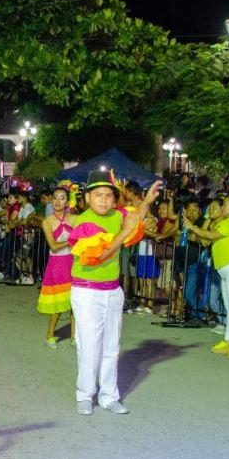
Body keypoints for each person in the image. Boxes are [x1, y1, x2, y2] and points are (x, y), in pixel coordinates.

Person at [67, 170, 161, 414]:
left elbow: (133, 218)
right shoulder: (83, 222)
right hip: (87, 292)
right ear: (87, 198)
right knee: (89, 346)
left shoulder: (117, 215)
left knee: (111, 346)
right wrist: (126, 230)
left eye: (109, 195)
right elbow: (102, 253)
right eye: (98, 195)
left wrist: (147, 201)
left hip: (112, 291)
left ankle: (109, 396)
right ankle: (85, 395)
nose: (104, 200)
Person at [184, 195, 229, 359]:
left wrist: (192, 227)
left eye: (226, 204)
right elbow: (206, 239)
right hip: (224, 268)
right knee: (228, 305)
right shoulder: (223, 223)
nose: (223, 207)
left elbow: (211, 236)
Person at [38, 187, 74, 347]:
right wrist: (71, 241)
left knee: (75, 303)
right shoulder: (47, 222)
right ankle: (49, 334)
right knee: (59, 304)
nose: (58, 201)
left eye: (62, 198)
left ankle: (74, 337)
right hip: (57, 264)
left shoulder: (74, 218)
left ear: (67, 201)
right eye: (55, 198)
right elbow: (53, 246)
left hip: (73, 262)